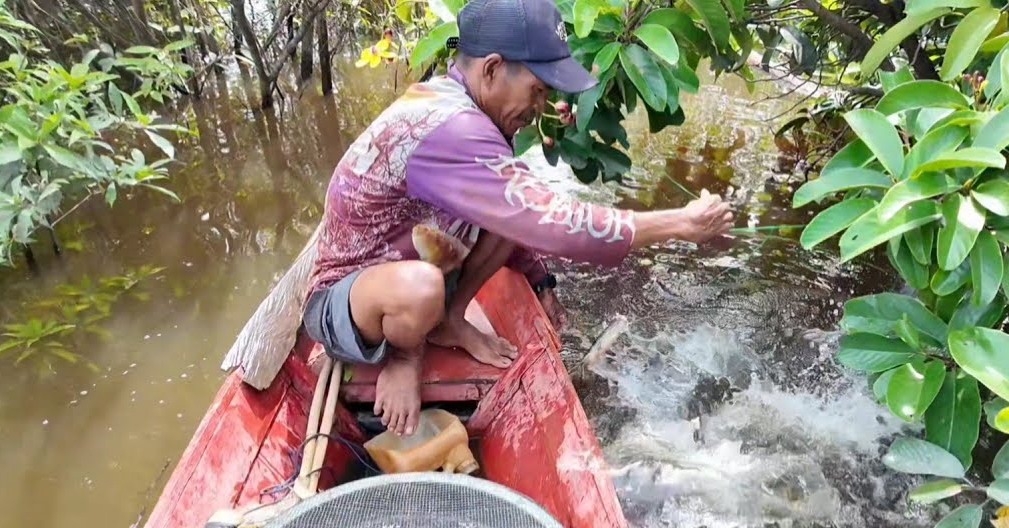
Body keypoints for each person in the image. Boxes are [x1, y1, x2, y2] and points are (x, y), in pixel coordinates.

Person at [303, 0, 734, 436]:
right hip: (347, 301)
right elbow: (560, 225)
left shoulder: (466, 107)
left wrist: (539, 279)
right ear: (492, 69)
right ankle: (405, 353)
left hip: (408, 273)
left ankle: (448, 318)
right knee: (421, 287)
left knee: (507, 219)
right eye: (538, 88)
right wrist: (681, 224)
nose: (541, 105)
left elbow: (520, 212)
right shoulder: (453, 127)